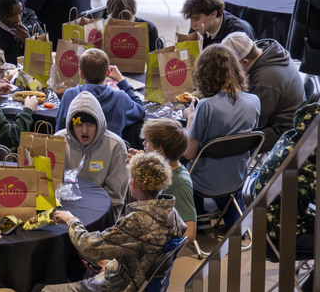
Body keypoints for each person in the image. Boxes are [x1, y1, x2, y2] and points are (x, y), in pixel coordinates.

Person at [17, 152, 186, 292]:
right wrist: (111, 264)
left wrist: (71, 220)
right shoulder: (171, 213)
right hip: (144, 291)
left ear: (132, 183)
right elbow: (146, 255)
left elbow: (89, 247)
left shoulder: (137, 221)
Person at [183, 44, 261, 231]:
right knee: (228, 166)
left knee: (179, 167)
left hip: (203, 182)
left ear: (204, 73)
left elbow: (189, 153)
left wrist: (190, 120)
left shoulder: (206, 106)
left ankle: (199, 218)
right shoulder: (254, 101)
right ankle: (235, 225)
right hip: (237, 179)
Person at [245, 104, 319, 273]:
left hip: (270, 226)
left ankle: (311, 286)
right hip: (281, 235)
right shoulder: (300, 163)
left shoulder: (290, 139)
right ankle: (313, 290)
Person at [221, 31, 306, 152]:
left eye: (232, 67)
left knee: (224, 141)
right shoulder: (268, 49)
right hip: (281, 117)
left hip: (283, 130)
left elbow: (253, 122)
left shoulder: (265, 81)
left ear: (245, 62)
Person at [56, 91, 129, 210]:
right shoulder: (58, 141)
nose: (84, 130)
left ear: (99, 123)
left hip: (100, 211)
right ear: (71, 125)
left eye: (89, 124)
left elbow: (115, 197)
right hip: (64, 209)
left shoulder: (115, 147)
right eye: (79, 125)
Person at [55, 48, 145, 137]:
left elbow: (59, 130)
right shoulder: (120, 98)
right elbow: (140, 110)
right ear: (108, 73)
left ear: (81, 74)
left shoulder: (69, 95)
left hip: (75, 150)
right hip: (110, 150)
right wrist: (122, 81)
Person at [139, 119, 197, 247]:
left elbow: (190, 233)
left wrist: (152, 238)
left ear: (160, 149)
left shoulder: (179, 182)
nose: (144, 143)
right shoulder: (162, 170)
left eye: (148, 141)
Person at [181, 0, 255, 48]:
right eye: (190, 19)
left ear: (213, 14)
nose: (192, 26)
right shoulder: (198, 28)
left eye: (196, 19)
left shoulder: (238, 34)